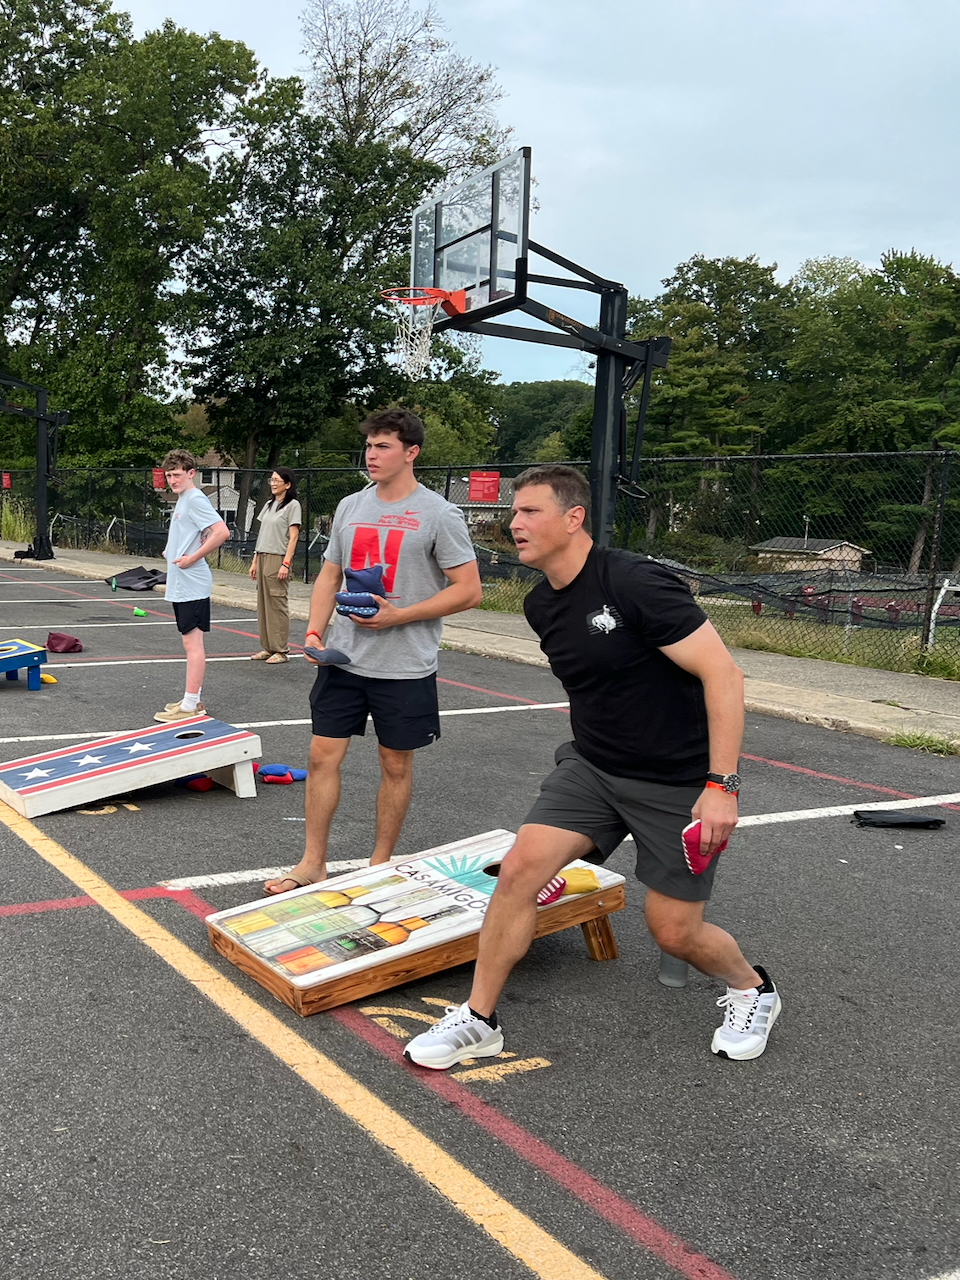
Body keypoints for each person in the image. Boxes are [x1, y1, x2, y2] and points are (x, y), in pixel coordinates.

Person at [405, 464, 781, 1067]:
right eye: (514, 511)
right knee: (520, 868)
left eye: (530, 511)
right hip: (594, 768)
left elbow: (724, 675)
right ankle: (479, 1020)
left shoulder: (636, 583)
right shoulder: (540, 605)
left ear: (574, 517)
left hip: (677, 782)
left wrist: (721, 785)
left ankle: (752, 988)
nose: (514, 523)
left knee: (675, 932)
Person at [264, 408, 482, 895]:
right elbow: (329, 575)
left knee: (395, 764)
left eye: (384, 446)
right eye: (369, 445)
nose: (372, 454)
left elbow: (469, 590)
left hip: (404, 664)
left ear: (412, 453)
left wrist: (398, 616)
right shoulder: (350, 506)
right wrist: (315, 633)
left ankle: (379, 864)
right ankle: (312, 862)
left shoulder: (439, 514)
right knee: (322, 757)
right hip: (343, 658)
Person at [153, 450, 230, 723]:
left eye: (177, 475)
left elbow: (221, 531)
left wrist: (193, 556)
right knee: (189, 642)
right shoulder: (184, 499)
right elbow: (194, 532)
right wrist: (171, 550)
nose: (172, 480)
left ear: (191, 473)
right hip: (181, 582)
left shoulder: (195, 498)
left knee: (192, 643)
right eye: (169, 475)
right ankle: (190, 700)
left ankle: (191, 704)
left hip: (192, 582)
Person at [249, 467, 302, 663]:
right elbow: (262, 534)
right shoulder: (269, 504)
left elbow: (294, 537)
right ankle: (268, 647)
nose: (272, 483)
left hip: (278, 557)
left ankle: (280, 649)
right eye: (271, 480)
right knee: (263, 604)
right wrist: (254, 561)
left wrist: (285, 564)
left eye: (277, 480)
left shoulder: (293, 505)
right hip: (263, 556)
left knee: (277, 603)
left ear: (287, 484)